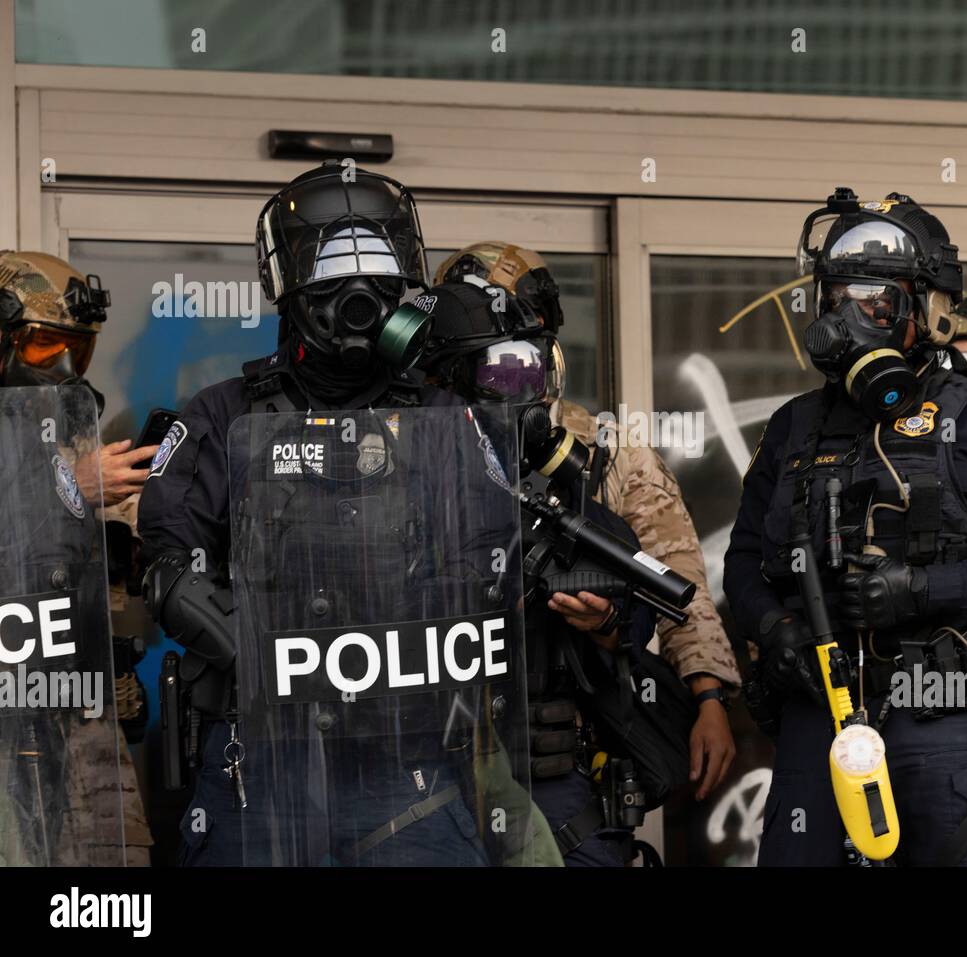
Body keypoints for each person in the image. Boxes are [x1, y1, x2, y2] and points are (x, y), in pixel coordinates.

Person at [136, 162, 537, 866]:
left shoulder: (445, 418)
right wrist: (259, 657)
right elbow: (166, 565)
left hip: (404, 763)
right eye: (335, 282)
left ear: (403, 291)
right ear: (290, 286)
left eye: (377, 284)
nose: (358, 300)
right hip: (260, 759)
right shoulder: (225, 413)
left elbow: (492, 562)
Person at [725, 189, 967, 866]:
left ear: (930, 313)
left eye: (875, 300)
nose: (849, 319)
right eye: (837, 299)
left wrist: (920, 588)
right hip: (817, 721)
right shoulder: (793, 428)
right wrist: (772, 627)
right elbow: (744, 562)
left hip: (943, 718)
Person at [434, 243, 740, 801]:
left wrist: (708, 698)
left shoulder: (609, 450)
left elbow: (677, 583)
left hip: (573, 735)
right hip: (450, 734)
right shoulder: (419, 449)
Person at [421, 272, 681, 866]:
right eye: (501, 373)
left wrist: (607, 621)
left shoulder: (554, 476)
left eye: (529, 371)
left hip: (547, 767)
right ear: (448, 382)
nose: (521, 391)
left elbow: (638, 603)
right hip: (423, 769)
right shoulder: (402, 472)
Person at [0, 250, 152, 865]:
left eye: (76, 350)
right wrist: (70, 489)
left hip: (75, 700)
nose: (62, 368)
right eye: (43, 347)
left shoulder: (73, 423)